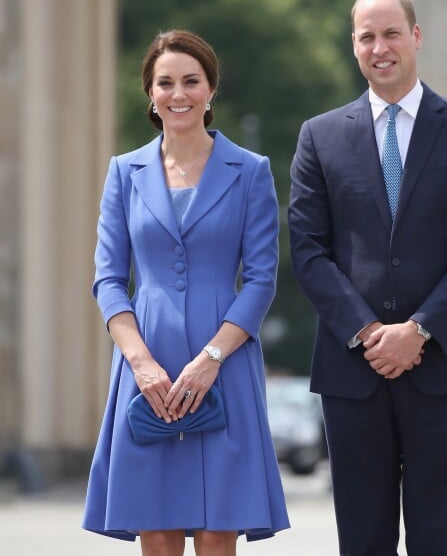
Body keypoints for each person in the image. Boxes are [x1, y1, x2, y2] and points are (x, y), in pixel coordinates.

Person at [288, 0, 447, 556]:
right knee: (362, 540)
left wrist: (419, 330)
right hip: (351, 372)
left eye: (391, 33)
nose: (379, 47)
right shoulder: (319, 136)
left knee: (438, 538)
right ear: (354, 46)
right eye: (367, 36)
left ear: (416, 37)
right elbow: (309, 249)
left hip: (442, 365)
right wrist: (366, 334)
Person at [83, 29, 289, 556]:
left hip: (225, 364)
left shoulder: (251, 172)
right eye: (166, 82)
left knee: (219, 530)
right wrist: (141, 364)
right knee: (155, 528)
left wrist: (211, 358)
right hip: (144, 364)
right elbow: (109, 278)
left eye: (191, 81)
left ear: (211, 89)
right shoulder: (123, 173)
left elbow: (262, 279)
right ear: (149, 93)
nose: (179, 94)